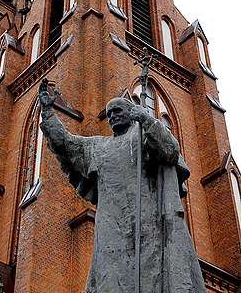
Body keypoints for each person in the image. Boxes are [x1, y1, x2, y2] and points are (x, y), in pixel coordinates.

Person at [38, 77, 206, 293]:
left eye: (117, 110)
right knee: (110, 280)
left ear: (130, 112)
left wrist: (146, 119)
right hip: (111, 227)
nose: (112, 116)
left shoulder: (143, 136)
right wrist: (48, 112)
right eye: (108, 114)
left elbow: (170, 151)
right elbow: (65, 143)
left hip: (148, 220)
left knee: (153, 279)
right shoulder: (98, 146)